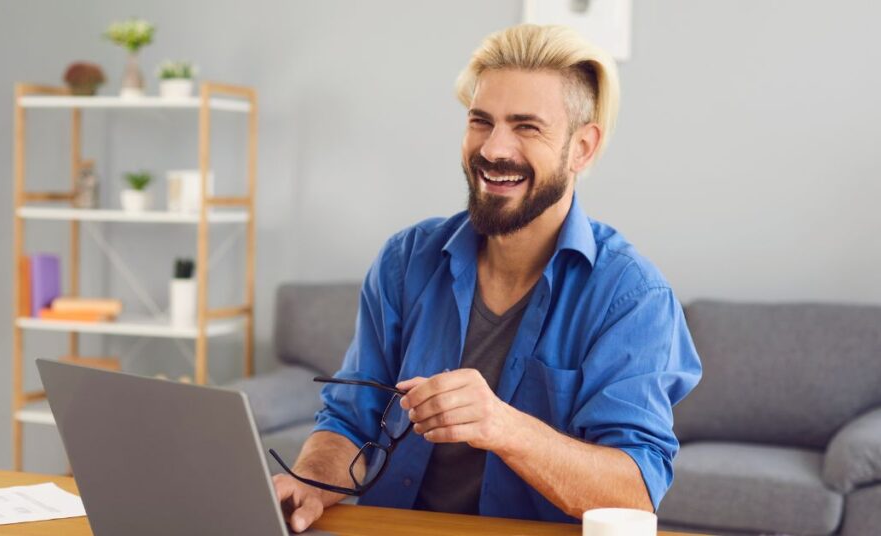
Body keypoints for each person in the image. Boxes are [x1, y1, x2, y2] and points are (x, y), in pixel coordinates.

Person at [272, 23, 702, 532]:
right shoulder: (406, 260)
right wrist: (311, 481)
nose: (494, 150)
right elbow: (347, 421)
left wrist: (503, 427)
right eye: (481, 121)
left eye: (526, 127)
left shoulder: (631, 298)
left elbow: (634, 490)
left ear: (582, 148)